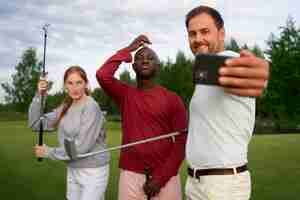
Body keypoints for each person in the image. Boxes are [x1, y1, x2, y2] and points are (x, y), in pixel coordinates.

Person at [184, 5, 270, 200]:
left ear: (221, 34)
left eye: (205, 32)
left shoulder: (227, 60)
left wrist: (259, 75)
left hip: (223, 186)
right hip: (196, 183)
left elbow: (247, 72)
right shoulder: (204, 78)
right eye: (192, 34)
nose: (198, 39)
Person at [96, 35, 188, 200]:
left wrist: (160, 178)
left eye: (150, 58)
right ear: (133, 66)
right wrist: (128, 49)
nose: (145, 60)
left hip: (166, 177)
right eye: (139, 58)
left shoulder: (172, 99)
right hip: (130, 175)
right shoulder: (125, 94)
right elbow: (103, 75)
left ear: (158, 66)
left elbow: (182, 142)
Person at [29, 66, 110, 200]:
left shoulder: (91, 106)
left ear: (86, 84)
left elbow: (80, 148)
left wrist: (48, 152)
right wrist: (39, 95)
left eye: (79, 82)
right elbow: (36, 123)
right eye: (70, 83)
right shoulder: (66, 106)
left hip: (93, 171)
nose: (75, 88)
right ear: (65, 85)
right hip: (73, 168)